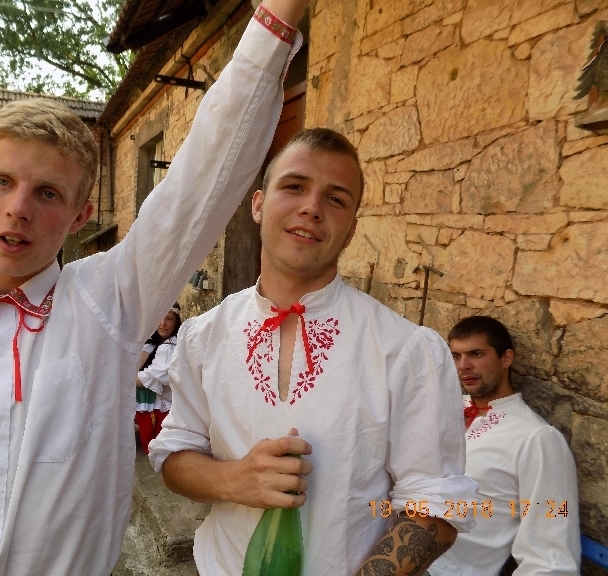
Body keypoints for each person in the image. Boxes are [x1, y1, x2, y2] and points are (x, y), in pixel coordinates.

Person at [0, 1, 309, 574]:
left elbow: (200, 181)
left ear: (81, 214)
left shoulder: (107, 304)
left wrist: (278, 16)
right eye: (2, 181)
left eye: (47, 193)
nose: (18, 208)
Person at [149, 128, 479, 575]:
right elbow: (175, 456)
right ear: (258, 204)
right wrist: (232, 479)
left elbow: (435, 508)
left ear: (351, 231)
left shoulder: (405, 350)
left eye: (336, 199)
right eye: (294, 186)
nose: (311, 207)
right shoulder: (203, 337)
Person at [426, 316, 580, 576]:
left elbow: (550, 557)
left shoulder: (537, 439)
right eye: (456, 356)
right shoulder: (442, 409)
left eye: (476, 354)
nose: (463, 366)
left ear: (506, 358)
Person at [135, 303, 181, 454]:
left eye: (169, 319)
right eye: (159, 318)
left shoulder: (171, 346)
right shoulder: (154, 341)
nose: (162, 324)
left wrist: (122, 380)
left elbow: (152, 376)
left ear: (176, 321)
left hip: (170, 401)